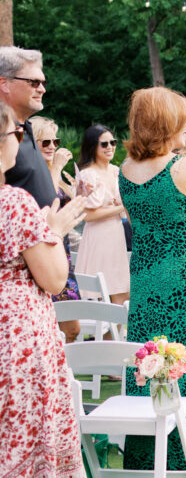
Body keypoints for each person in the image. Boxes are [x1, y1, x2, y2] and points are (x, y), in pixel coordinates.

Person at [0, 101, 91, 478]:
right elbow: (55, 279)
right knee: (14, 445)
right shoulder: (13, 201)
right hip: (15, 335)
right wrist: (53, 230)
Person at [119, 87, 186, 478]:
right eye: (183, 118)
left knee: (151, 363)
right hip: (184, 279)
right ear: (167, 124)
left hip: (144, 280)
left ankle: (152, 469)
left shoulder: (125, 169)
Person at [32, 117, 82, 340]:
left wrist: (81, 194)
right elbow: (46, 202)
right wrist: (58, 167)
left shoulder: (54, 173)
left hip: (62, 255)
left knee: (71, 329)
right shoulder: (31, 174)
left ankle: (60, 372)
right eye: (45, 142)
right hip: (42, 256)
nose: (53, 146)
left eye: (55, 140)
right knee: (53, 329)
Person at [74, 124, 131, 306]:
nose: (110, 147)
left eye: (112, 142)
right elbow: (89, 216)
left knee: (122, 294)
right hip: (98, 238)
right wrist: (121, 207)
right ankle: (99, 333)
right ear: (93, 147)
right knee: (101, 295)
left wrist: (121, 206)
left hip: (116, 235)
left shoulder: (116, 171)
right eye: (104, 144)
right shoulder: (87, 175)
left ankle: (115, 335)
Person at [0, 47, 57, 208]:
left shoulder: (25, 128)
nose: (42, 89)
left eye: (43, 82)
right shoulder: (5, 135)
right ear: (4, 84)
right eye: (34, 82)